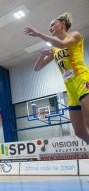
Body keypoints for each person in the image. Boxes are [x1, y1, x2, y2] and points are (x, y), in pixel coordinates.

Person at [24, 13, 89, 144]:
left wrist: (39, 34)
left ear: (63, 24)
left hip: (82, 79)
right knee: (79, 132)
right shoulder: (55, 49)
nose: (50, 28)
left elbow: (62, 44)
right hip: (70, 88)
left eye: (53, 24)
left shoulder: (75, 35)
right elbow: (37, 68)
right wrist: (41, 56)